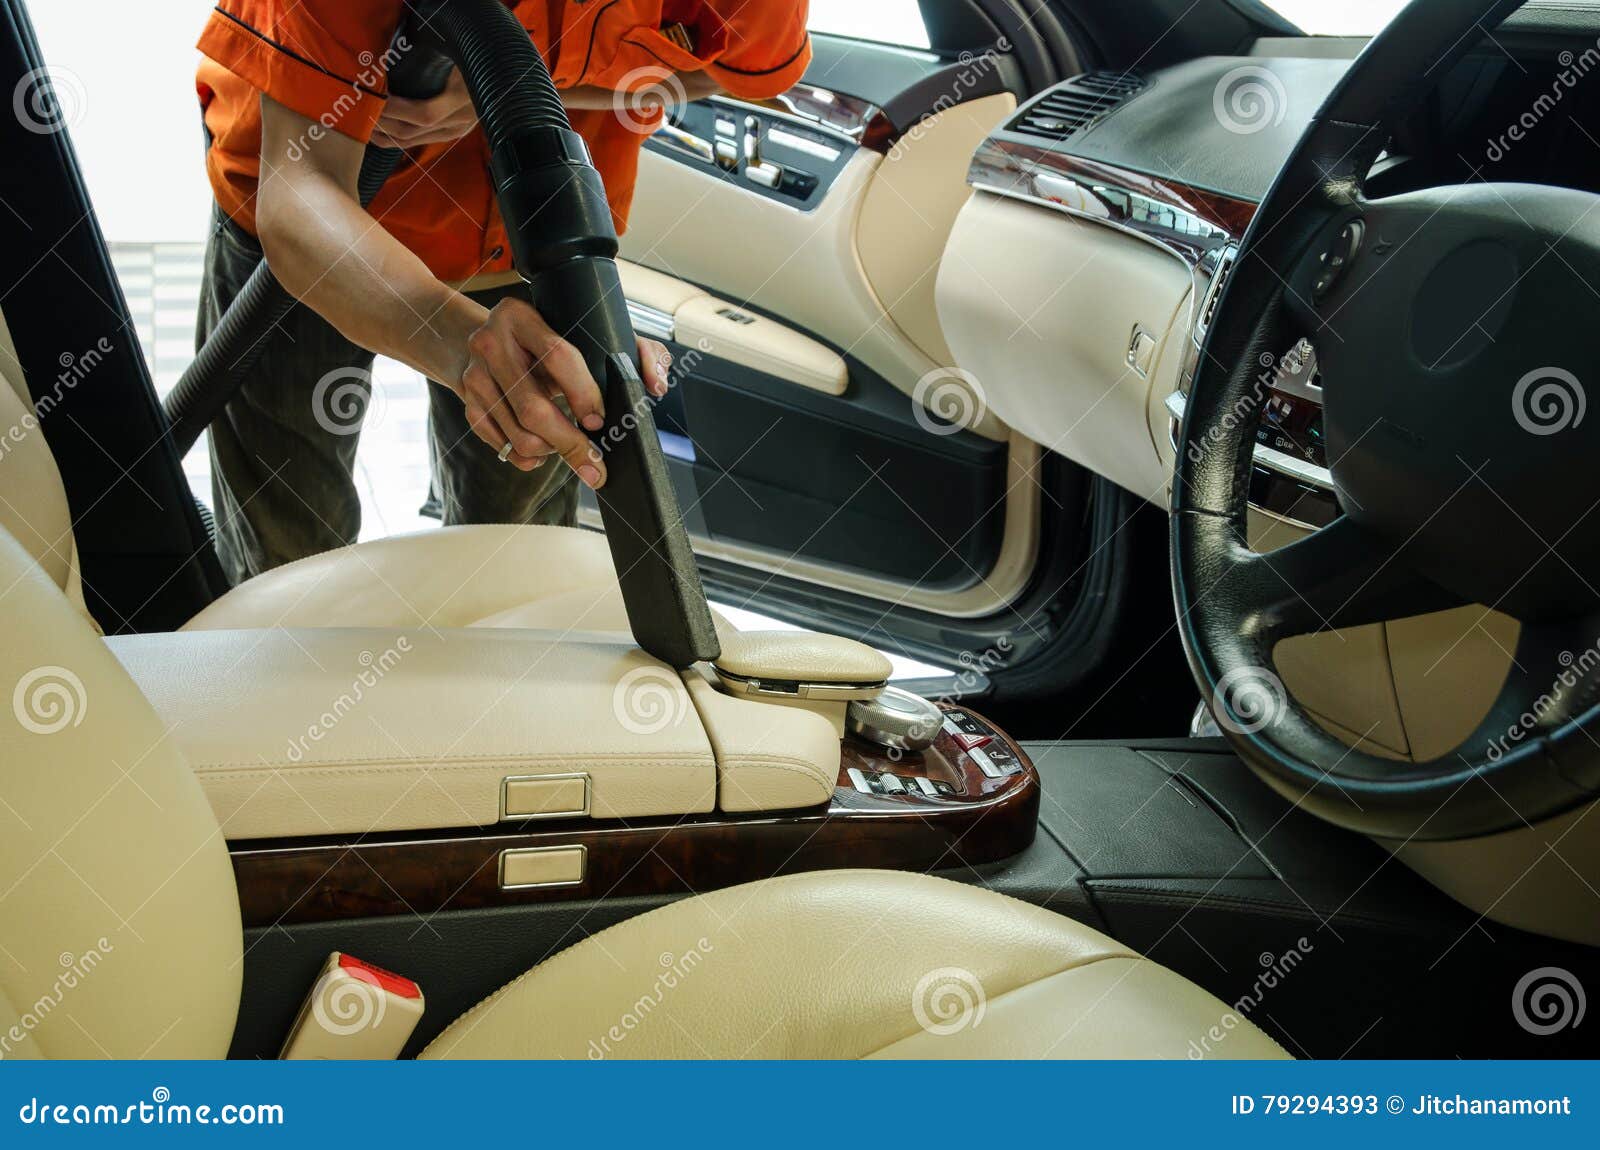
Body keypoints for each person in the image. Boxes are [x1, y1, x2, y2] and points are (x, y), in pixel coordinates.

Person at [193, 1, 812, 582]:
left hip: (528, 235)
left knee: (515, 564)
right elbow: (302, 188)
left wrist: (510, 89)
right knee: (286, 561)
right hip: (316, 236)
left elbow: (728, 72)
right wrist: (464, 347)